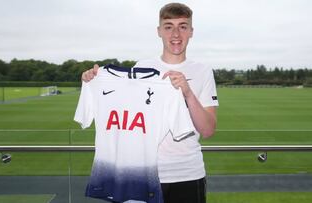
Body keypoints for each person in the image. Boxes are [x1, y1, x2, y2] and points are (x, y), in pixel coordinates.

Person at [82, 3, 218, 203]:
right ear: (159, 31)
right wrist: (94, 81)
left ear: (191, 31)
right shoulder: (142, 67)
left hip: (188, 174)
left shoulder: (203, 71)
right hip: (142, 174)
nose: (176, 34)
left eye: (182, 26)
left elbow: (207, 130)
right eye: (168, 26)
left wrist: (188, 93)